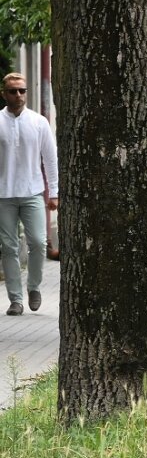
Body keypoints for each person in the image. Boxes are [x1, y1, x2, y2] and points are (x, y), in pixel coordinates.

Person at [0, 73, 59, 316]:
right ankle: (15, 299)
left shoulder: (39, 122)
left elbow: (50, 159)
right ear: (4, 93)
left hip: (33, 192)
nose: (19, 95)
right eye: (13, 91)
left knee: (38, 241)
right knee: (9, 247)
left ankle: (33, 287)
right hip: (3, 195)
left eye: (22, 91)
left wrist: (54, 192)